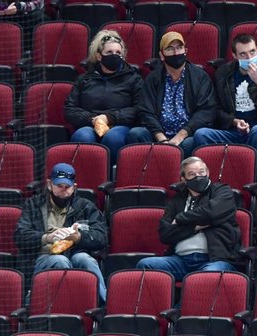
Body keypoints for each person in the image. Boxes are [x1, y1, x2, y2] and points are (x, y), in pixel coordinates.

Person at [14, 163, 109, 302]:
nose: (63, 191)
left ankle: (105, 307)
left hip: (74, 253)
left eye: (67, 187)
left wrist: (79, 238)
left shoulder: (85, 206)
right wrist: (46, 238)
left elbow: (102, 237)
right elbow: (20, 236)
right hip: (42, 256)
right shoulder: (33, 205)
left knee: (85, 259)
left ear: (74, 187)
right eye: (59, 186)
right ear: (49, 184)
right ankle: (62, 305)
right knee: (60, 260)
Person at [136, 157, 239, 277]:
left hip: (214, 259)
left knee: (207, 276)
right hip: (180, 260)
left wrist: (181, 218)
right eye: (192, 174)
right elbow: (165, 234)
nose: (198, 177)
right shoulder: (177, 200)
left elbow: (212, 212)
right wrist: (195, 227)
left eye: (201, 172)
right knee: (145, 264)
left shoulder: (222, 191)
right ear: (184, 179)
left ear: (208, 173)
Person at [193, 33, 257, 166]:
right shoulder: (223, 73)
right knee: (201, 134)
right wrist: (234, 122)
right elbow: (214, 108)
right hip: (232, 129)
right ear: (234, 56)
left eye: (252, 52)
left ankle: (255, 180)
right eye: (243, 54)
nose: (249, 58)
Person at [128, 31, 217, 156]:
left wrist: (181, 136)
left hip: (187, 135)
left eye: (179, 48)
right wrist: (161, 138)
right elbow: (145, 111)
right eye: (170, 49)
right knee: (136, 134)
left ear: (186, 50)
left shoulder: (200, 77)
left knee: (192, 142)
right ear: (162, 55)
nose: (176, 53)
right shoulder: (153, 78)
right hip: (158, 133)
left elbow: (206, 111)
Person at [64, 30, 145, 164]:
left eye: (118, 53)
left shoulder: (134, 79)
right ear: (99, 56)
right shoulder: (84, 79)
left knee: (113, 137)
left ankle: (113, 178)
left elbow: (139, 109)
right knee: (82, 135)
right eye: (109, 52)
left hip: (120, 124)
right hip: (90, 123)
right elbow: (70, 109)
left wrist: (109, 117)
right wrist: (92, 119)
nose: (114, 56)